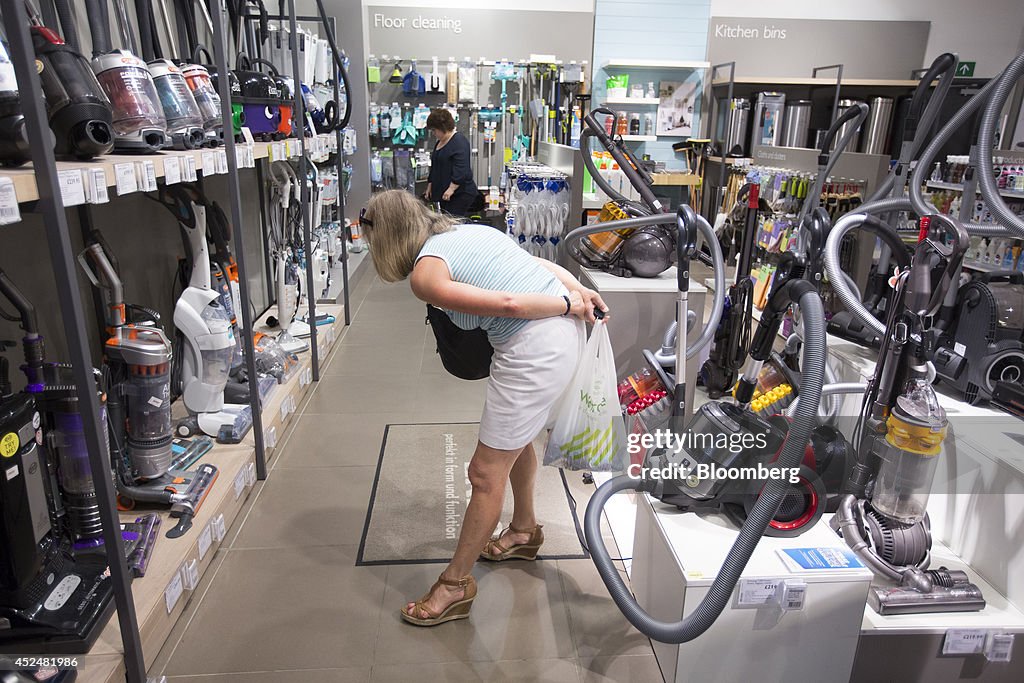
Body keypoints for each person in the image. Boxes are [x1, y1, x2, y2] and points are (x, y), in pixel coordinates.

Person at [360, 190, 608, 627]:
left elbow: (510, 305)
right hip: (557, 336)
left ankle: (454, 586)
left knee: (483, 473)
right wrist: (577, 291)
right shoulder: (467, 231)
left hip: (535, 346)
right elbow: (539, 266)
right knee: (515, 442)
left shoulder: (425, 276)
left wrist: (571, 302)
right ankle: (524, 530)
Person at [424, 108, 479, 217]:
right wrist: (430, 185)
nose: (433, 133)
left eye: (434, 130)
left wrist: (451, 189)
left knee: (453, 225)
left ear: (442, 128)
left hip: (459, 194)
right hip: (444, 195)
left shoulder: (459, 141)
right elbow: (435, 165)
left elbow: (461, 169)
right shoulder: (440, 142)